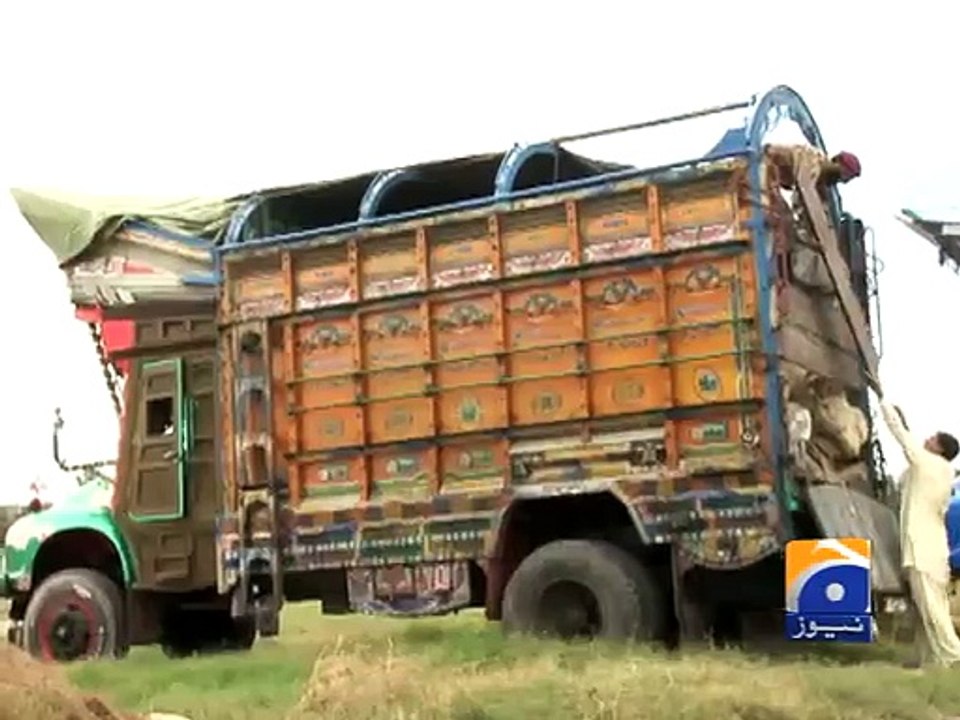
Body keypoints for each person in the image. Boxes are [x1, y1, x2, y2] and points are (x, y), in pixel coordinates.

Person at [875, 390, 960, 668]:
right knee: (927, 610)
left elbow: (901, 435)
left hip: (922, 551)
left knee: (933, 611)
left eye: (933, 439)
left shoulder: (929, 464)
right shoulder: (940, 471)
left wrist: (884, 401)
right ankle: (928, 662)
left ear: (940, 449)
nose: (927, 439)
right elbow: (906, 476)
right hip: (932, 550)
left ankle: (954, 655)